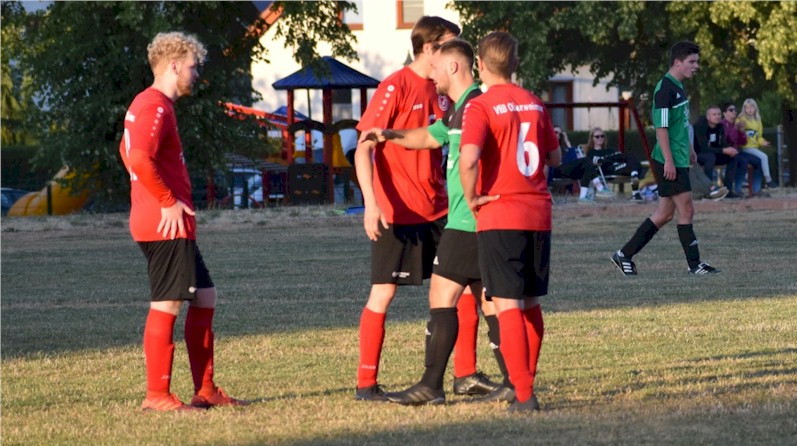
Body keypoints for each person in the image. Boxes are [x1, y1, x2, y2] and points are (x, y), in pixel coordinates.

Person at [358, 39, 509, 406]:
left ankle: (433, 384)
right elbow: (429, 136)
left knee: (447, 294)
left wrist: (474, 195)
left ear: (454, 68)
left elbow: (478, 159)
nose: (434, 75)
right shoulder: (460, 110)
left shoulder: (475, 106)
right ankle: (513, 380)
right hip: (466, 219)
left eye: (439, 67)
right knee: (488, 301)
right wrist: (390, 134)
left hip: (465, 220)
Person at [119, 32, 247, 411]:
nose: (197, 73)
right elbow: (139, 157)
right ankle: (157, 396)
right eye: (194, 66)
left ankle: (205, 391)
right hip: (164, 223)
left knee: (205, 297)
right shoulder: (155, 105)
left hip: (167, 222)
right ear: (174, 65)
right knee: (167, 304)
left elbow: (125, 151)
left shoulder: (149, 104)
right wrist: (166, 200)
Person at [352, 16, 460, 402]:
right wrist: (371, 203)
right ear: (430, 49)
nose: (455, 56)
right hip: (398, 214)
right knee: (383, 294)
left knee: (459, 289)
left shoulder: (445, 87)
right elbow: (364, 147)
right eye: (449, 46)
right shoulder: (394, 86)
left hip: (440, 209)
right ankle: (366, 385)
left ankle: (464, 375)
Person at [460, 31, 562, 413]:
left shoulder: (480, 106)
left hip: (501, 214)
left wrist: (471, 197)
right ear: (516, 64)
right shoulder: (536, 104)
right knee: (531, 304)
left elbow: (469, 158)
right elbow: (553, 158)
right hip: (538, 213)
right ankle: (526, 383)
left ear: (480, 66)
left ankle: (522, 394)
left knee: (507, 306)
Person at [610, 41, 719, 276]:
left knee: (665, 214)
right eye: (692, 62)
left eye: (697, 61)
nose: (696, 66)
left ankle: (624, 255)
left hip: (679, 157)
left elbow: (679, 125)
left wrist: (689, 148)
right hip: (669, 161)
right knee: (686, 210)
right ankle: (694, 265)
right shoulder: (665, 89)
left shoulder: (679, 87)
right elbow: (661, 128)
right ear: (677, 62)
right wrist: (669, 160)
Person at [547, 127, 615, 203]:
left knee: (587, 165)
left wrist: (567, 142)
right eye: (555, 132)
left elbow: (573, 159)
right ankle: (600, 188)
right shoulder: (548, 146)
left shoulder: (564, 148)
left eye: (560, 134)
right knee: (587, 160)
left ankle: (583, 197)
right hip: (555, 171)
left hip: (566, 171)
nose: (558, 135)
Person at [583, 127, 643, 202]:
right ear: (592, 138)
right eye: (597, 136)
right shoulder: (591, 152)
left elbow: (622, 156)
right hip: (609, 171)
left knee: (633, 159)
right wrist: (612, 158)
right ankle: (637, 192)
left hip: (619, 167)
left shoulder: (610, 150)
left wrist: (609, 158)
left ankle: (637, 192)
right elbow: (601, 162)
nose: (600, 138)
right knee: (635, 165)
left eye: (602, 136)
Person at [692, 105, 738, 199]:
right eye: (714, 114)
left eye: (718, 114)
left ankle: (728, 190)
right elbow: (703, 148)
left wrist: (730, 149)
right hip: (699, 155)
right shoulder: (700, 127)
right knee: (710, 157)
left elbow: (723, 144)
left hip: (714, 154)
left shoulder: (720, 127)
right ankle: (709, 190)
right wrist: (723, 150)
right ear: (708, 116)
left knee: (734, 157)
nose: (717, 116)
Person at [720, 102, 764, 197]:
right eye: (731, 110)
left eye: (735, 110)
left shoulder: (736, 124)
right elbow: (728, 140)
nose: (734, 112)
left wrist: (742, 132)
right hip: (727, 152)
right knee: (743, 161)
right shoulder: (722, 125)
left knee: (758, 161)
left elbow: (743, 142)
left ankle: (756, 190)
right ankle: (738, 189)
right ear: (724, 113)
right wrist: (736, 129)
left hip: (738, 151)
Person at [737, 98, 778, 189]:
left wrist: (763, 142)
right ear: (744, 109)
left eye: (752, 107)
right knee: (764, 156)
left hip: (754, 147)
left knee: (760, 160)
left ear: (755, 108)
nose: (750, 109)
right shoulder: (741, 119)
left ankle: (757, 188)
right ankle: (768, 180)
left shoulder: (758, 120)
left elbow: (758, 136)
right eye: (747, 107)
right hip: (745, 147)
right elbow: (738, 130)